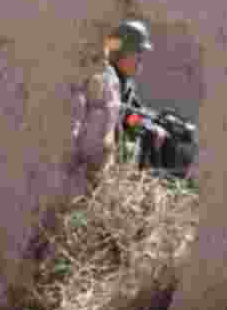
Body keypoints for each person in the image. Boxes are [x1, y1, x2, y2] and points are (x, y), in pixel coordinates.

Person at [69, 19, 167, 190]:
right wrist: (144, 126)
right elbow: (117, 114)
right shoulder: (104, 78)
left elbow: (130, 115)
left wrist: (147, 124)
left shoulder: (125, 83)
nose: (140, 61)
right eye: (137, 54)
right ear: (122, 53)